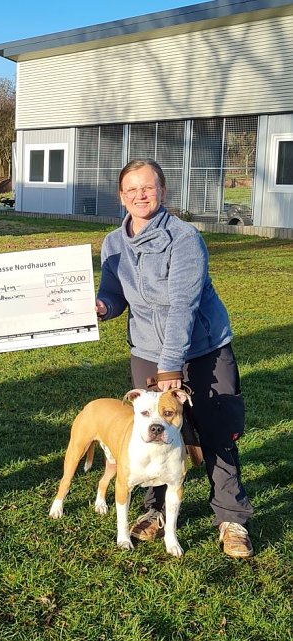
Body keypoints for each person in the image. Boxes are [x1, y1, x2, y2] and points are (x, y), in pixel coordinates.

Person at [96, 158, 254, 558]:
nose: (139, 196)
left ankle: (231, 518)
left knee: (217, 433)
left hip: (203, 349)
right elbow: (114, 294)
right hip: (147, 351)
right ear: (121, 196)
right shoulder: (113, 243)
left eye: (146, 188)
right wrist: (102, 306)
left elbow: (183, 305)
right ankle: (154, 512)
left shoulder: (183, 238)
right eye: (130, 190)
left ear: (162, 191)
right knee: (150, 434)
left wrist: (171, 366)